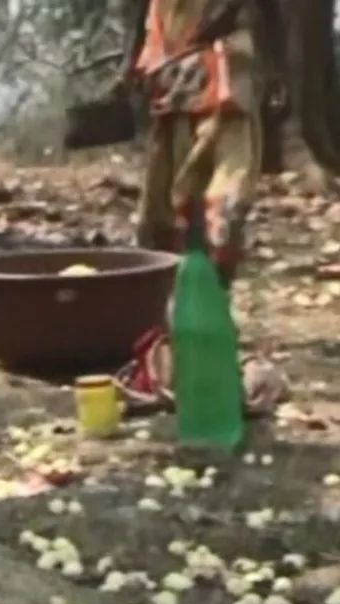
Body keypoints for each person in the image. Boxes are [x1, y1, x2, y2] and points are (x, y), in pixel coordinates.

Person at [111, 0, 297, 415]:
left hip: (230, 73)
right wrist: (129, 58)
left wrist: (279, 70)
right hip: (172, 75)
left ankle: (208, 332)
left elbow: (271, 11)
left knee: (225, 214)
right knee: (164, 221)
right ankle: (176, 350)